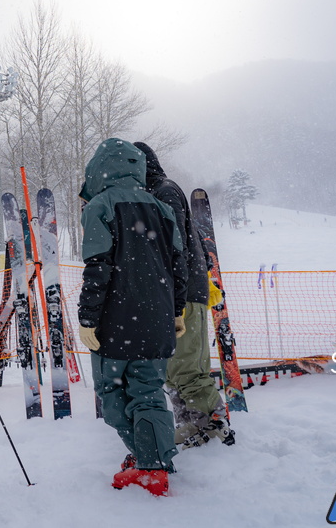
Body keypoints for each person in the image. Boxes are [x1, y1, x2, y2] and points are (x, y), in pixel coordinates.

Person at [77, 138, 187, 496]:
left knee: (112, 393)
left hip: (115, 320)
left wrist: (88, 318)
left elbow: (98, 267)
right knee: (149, 391)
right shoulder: (162, 209)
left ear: (98, 170)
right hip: (157, 318)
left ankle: (146, 459)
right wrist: (177, 311)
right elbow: (178, 267)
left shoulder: (99, 206)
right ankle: (153, 461)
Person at [133, 141, 231, 449]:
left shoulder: (164, 191)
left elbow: (173, 245)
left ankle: (212, 427)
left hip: (183, 291)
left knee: (187, 363)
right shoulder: (150, 194)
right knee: (172, 368)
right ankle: (191, 425)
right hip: (168, 293)